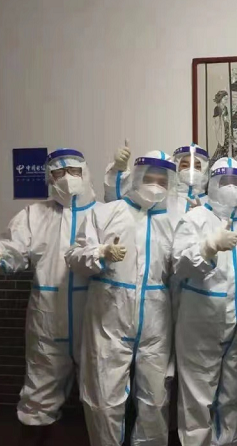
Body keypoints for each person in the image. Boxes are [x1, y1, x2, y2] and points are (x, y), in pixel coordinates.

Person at [0, 149, 98, 445]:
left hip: (94, 318)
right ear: (49, 179)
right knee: (39, 394)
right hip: (48, 320)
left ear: (86, 173)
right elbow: (13, 246)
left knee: (102, 393)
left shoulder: (103, 214)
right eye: (58, 173)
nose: (67, 178)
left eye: (74, 171)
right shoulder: (34, 215)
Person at [66, 151, 177, 446]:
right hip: (108, 318)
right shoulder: (107, 213)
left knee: (155, 400)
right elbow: (73, 256)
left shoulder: (173, 220)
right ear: (136, 178)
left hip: (156, 320)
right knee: (103, 398)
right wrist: (100, 253)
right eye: (150, 178)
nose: (155, 185)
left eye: (162, 181)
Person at [172, 157, 237, 446]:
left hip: (236, 325)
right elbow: (179, 265)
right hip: (200, 323)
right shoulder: (196, 218)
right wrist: (208, 247)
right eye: (224, 181)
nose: (231, 188)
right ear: (213, 184)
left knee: (231, 396)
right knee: (197, 399)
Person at [104, 141, 209, 214]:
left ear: (204, 171)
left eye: (197, 166)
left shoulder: (211, 203)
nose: (191, 170)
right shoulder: (163, 198)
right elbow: (115, 203)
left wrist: (203, 218)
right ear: (176, 167)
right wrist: (118, 170)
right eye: (185, 165)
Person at [214, 90, 231, 160]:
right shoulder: (217, 108)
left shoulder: (225, 108)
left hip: (226, 130)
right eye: (225, 99)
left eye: (227, 99)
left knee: (225, 148)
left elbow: (227, 119)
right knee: (221, 147)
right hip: (221, 131)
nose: (226, 100)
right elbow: (217, 122)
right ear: (220, 98)